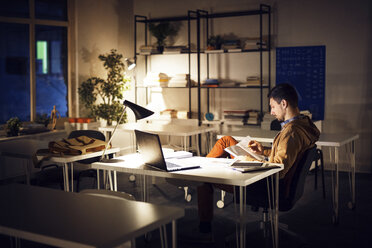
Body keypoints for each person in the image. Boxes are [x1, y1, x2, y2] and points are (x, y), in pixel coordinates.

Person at [194, 83, 320, 242]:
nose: (271, 112)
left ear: (284, 104)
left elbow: (278, 170)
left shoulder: (291, 133)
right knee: (226, 141)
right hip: (274, 182)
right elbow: (286, 155)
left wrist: (248, 159)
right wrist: (263, 152)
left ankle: (200, 179)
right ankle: (203, 170)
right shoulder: (303, 124)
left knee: (205, 180)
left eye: (273, 106)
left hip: (265, 186)